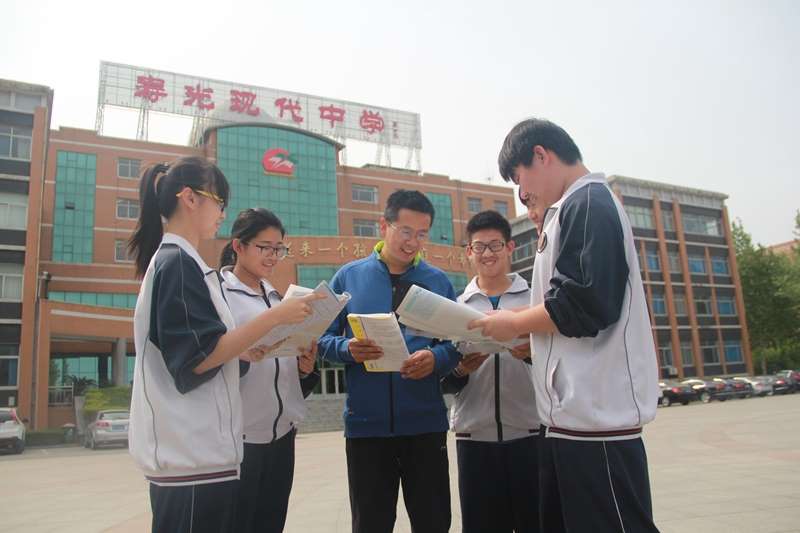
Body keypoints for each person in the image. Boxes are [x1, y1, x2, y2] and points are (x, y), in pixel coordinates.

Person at [471, 118, 660, 532]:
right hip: (568, 421)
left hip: (598, 421)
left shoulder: (589, 202)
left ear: (541, 155)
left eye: (520, 180)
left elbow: (585, 301)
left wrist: (515, 322)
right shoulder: (566, 211)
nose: (524, 196)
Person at [127, 157, 322, 533]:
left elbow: (204, 352)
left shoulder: (184, 263)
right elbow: (195, 361)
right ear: (189, 198)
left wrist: (244, 352)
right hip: (191, 459)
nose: (222, 213)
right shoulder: (178, 264)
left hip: (205, 457)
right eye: (219, 202)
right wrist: (277, 318)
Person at [318, 189, 461, 533]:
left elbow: (457, 343)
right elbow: (319, 337)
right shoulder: (349, 277)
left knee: (433, 522)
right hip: (367, 428)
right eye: (406, 231)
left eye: (422, 234)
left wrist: (436, 357)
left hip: (425, 427)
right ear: (384, 226)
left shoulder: (438, 282)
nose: (413, 242)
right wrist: (347, 348)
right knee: (370, 523)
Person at [219, 208, 320, 533]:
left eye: (279, 249)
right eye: (265, 247)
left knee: (271, 524)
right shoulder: (219, 296)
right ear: (238, 246)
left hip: (282, 436)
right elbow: (214, 362)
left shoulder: (279, 299)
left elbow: (284, 372)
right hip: (240, 439)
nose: (273, 256)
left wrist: (305, 369)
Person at [442, 210, 540, 533]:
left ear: (510, 247)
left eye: (495, 245)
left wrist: (531, 355)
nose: (488, 254)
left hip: (530, 436)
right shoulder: (457, 307)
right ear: (469, 252)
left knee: (537, 523)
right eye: (479, 247)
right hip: (475, 441)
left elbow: (559, 363)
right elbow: (444, 380)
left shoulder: (536, 301)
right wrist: (461, 368)